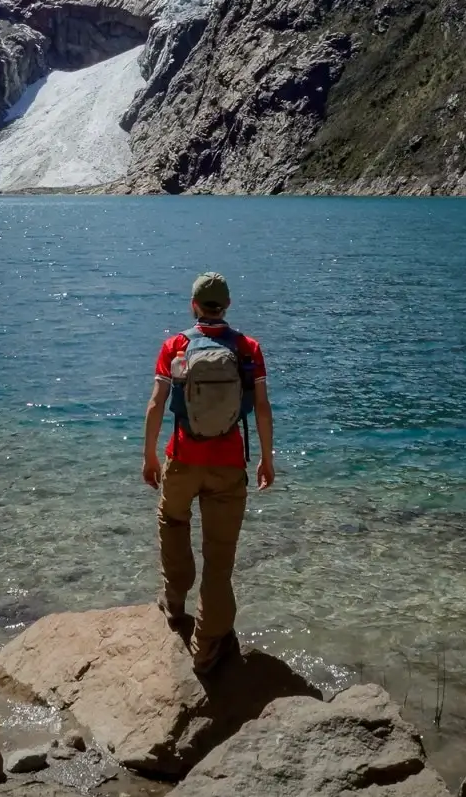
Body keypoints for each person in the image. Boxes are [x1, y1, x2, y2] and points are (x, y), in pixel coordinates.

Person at [142, 270, 275, 675]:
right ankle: (207, 646)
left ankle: (174, 602)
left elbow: (156, 403)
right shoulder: (248, 348)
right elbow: (262, 407)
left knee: (173, 522)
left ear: (194, 305)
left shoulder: (176, 346)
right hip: (228, 464)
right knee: (220, 556)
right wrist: (266, 459)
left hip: (183, 457)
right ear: (228, 305)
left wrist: (150, 456)